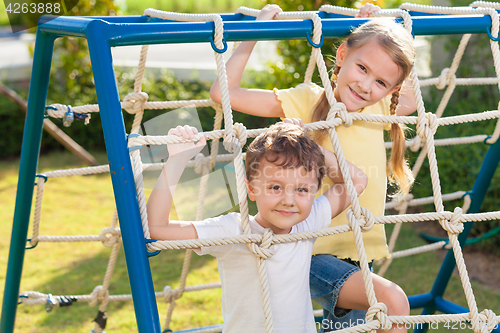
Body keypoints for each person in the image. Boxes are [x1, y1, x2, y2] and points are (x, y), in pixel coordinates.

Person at [209, 4, 414, 332]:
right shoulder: (307, 100)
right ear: (342, 54)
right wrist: (255, 32)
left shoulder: (378, 108)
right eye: (361, 67)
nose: (365, 85)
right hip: (307, 250)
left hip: (358, 252)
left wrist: (385, 24)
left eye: (380, 81)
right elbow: (223, 94)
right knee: (391, 301)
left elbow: (412, 94)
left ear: (391, 90)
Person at [146, 120, 367, 332]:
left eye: (302, 190)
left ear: (314, 191)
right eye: (275, 187)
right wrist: (176, 161)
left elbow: (357, 180)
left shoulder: (307, 224)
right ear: (251, 189)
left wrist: (307, 143)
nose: (289, 200)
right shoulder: (234, 231)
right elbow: (156, 229)